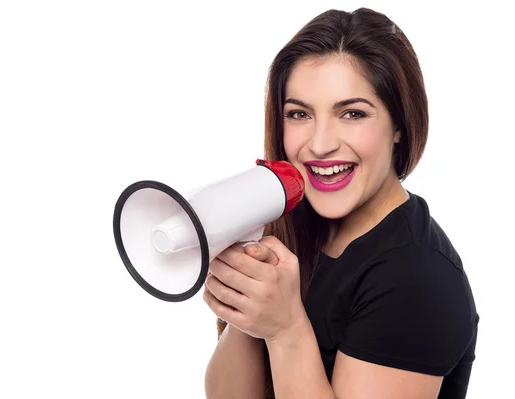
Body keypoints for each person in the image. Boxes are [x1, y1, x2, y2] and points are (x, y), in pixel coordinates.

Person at [202, 7, 479, 399]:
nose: (319, 144)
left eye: (352, 113)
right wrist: (248, 313)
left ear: (399, 126)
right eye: (299, 114)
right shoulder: (294, 227)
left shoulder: (418, 276)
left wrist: (285, 330)